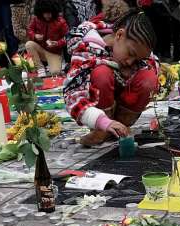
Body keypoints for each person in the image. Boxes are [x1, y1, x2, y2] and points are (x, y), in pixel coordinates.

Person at [64, 9, 158, 147]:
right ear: (119, 35)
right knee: (102, 73)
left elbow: (152, 63)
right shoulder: (87, 48)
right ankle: (102, 130)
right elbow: (73, 95)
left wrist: (132, 73)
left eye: (137, 59)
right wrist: (102, 121)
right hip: (98, 111)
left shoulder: (136, 47)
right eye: (130, 54)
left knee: (149, 77)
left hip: (122, 102)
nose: (131, 62)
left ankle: (121, 126)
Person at [26, 0, 69, 77]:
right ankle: (40, 68)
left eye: (49, 13)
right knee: (29, 44)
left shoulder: (61, 22)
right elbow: (29, 30)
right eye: (45, 13)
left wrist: (57, 43)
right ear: (41, 12)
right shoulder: (36, 19)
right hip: (40, 49)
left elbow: (67, 37)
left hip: (54, 53)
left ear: (54, 11)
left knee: (55, 72)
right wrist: (34, 36)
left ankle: (50, 66)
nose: (47, 15)